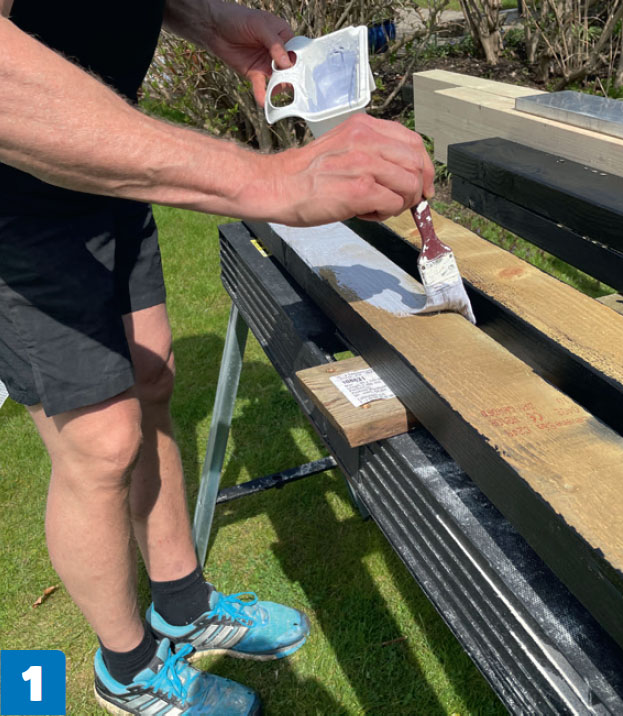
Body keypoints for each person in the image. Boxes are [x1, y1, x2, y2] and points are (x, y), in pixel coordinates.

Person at [0, 1, 435, 714]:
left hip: (102, 163)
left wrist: (207, 19)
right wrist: (272, 181)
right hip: (16, 193)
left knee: (152, 381)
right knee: (101, 444)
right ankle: (127, 669)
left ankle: (183, 605)